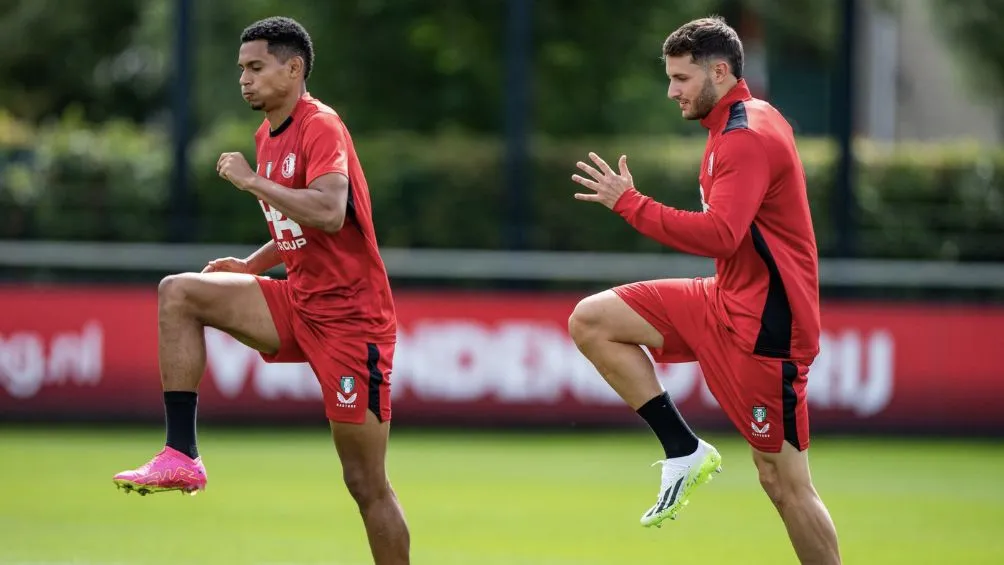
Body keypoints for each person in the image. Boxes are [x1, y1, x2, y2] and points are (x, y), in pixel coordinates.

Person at [112, 16, 410, 565]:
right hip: (299, 302)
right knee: (180, 292)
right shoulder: (265, 134)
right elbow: (293, 225)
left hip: (352, 321)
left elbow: (326, 210)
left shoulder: (320, 124)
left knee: (365, 484)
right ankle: (182, 453)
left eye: (256, 67)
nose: (244, 80)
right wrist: (251, 265)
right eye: (241, 69)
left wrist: (251, 181)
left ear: (293, 68)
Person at [567, 16, 841, 565]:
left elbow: (722, 232)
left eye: (681, 78)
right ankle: (683, 449)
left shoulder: (746, 137)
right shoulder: (735, 123)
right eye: (670, 78)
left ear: (720, 71)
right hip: (722, 299)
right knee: (591, 320)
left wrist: (631, 203)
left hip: (768, 328)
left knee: (785, 483)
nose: (672, 91)